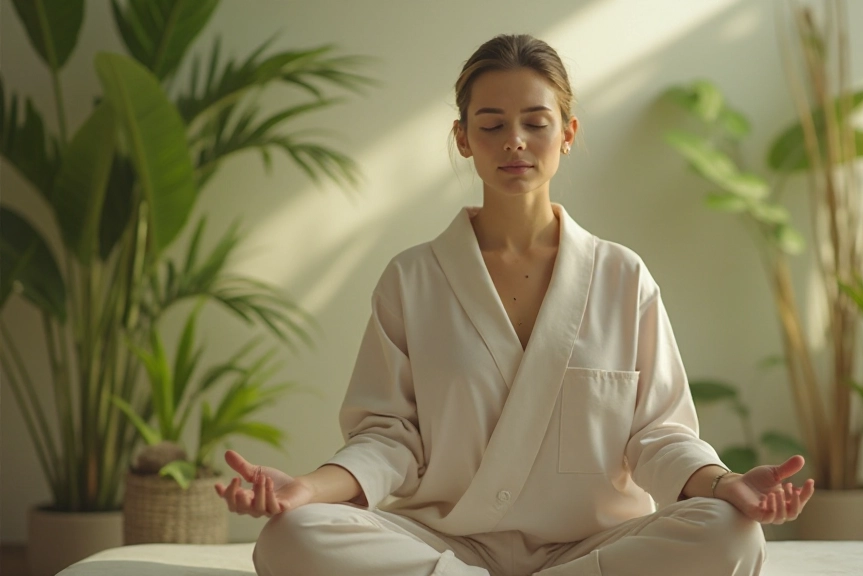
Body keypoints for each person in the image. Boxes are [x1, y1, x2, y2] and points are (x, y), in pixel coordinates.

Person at [215, 34, 814, 576]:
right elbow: (389, 438)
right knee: (290, 538)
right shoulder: (413, 277)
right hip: (445, 544)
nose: (515, 142)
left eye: (536, 122)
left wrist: (727, 483)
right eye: (492, 124)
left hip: (592, 548)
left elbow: (656, 435)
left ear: (568, 133)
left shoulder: (621, 276)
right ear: (463, 138)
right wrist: (302, 491)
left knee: (732, 534)